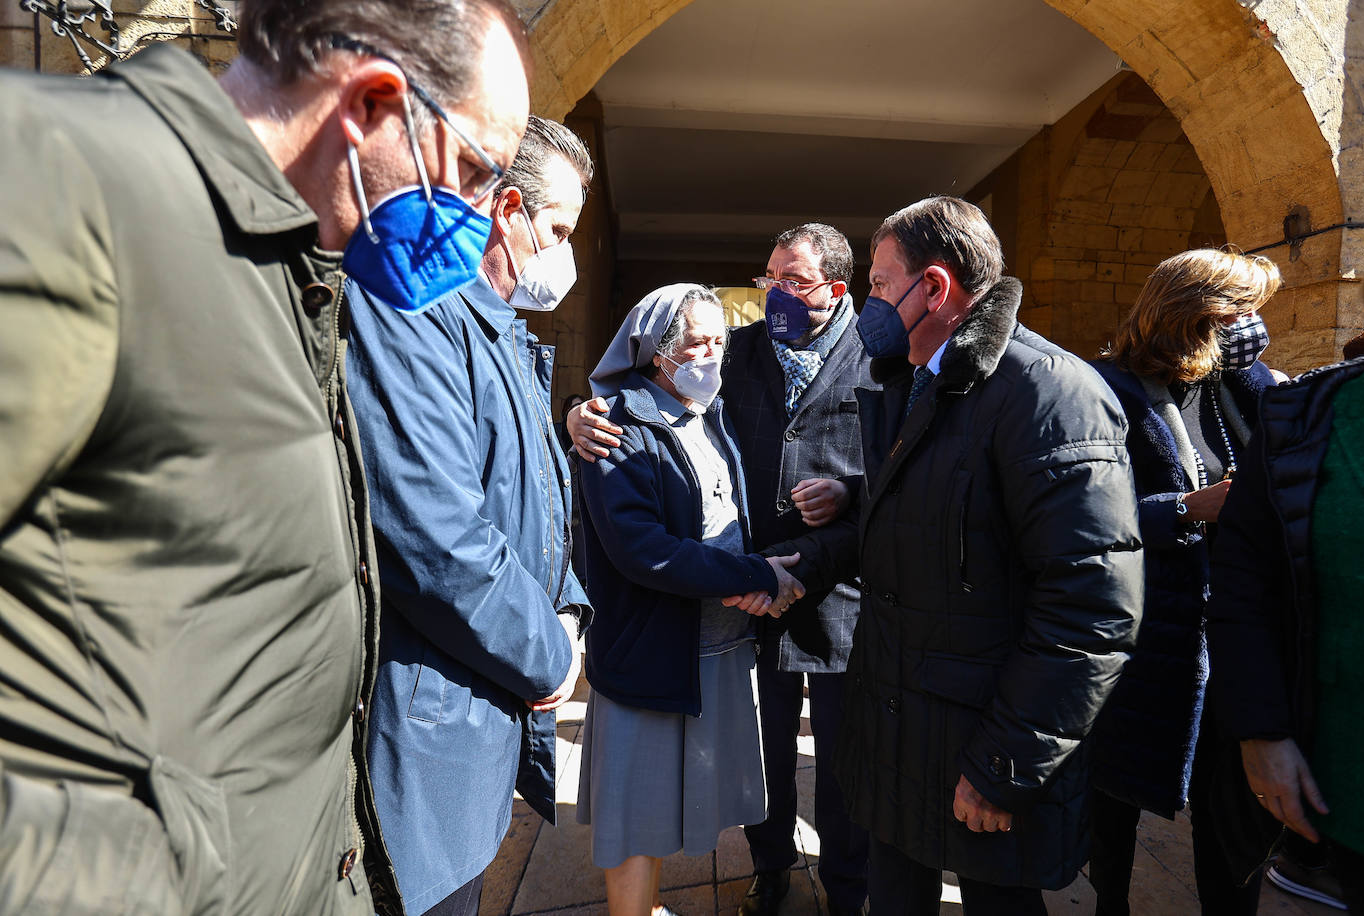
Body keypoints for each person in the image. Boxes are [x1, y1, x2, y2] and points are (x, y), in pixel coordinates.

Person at [0, 2, 527, 913]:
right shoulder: (58, 183)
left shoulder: (298, 271)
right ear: (372, 105)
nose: (483, 216)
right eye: (477, 171)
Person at [787, 196, 1143, 914]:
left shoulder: (1050, 395)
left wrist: (1006, 764)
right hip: (902, 737)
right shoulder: (910, 381)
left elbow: (1092, 607)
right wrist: (796, 573)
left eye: (881, 284)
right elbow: (903, 528)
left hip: (982, 754)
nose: (869, 302)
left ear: (936, 289)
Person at [567, 224, 873, 916]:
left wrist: (850, 492)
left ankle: (849, 888)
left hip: (835, 594)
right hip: (742, 592)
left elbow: (899, 468)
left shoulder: (880, 359)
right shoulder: (736, 349)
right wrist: (577, 416)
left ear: (835, 287)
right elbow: (651, 397)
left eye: (792, 280)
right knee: (763, 750)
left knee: (844, 761)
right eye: (769, 278)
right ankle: (771, 868)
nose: (775, 294)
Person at [349, 115, 596, 916]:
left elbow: (540, 501)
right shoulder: (411, 305)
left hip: (471, 732)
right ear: (507, 206)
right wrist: (550, 653)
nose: (564, 253)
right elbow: (432, 534)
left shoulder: (501, 330)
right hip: (421, 743)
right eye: (556, 228)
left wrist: (568, 609)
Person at [574, 284, 807, 916]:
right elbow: (640, 548)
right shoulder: (613, 423)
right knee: (634, 818)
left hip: (715, 648)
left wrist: (755, 576)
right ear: (655, 355)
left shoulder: (710, 414)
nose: (711, 355)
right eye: (695, 343)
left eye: (717, 340)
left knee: (673, 807)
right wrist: (747, 576)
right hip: (653, 653)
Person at [1087, 249, 1281, 916]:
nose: (1253, 326)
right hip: (1140, 640)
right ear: (1190, 313)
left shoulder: (1254, 390)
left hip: (1233, 637)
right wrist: (1187, 509)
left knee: (1231, 815)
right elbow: (1074, 515)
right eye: (1240, 310)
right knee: (1111, 807)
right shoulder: (1105, 390)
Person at [1207, 260, 1364, 915]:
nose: (1249, 329)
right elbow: (1246, 585)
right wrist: (1262, 733)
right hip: (1347, 774)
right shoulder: (1305, 413)